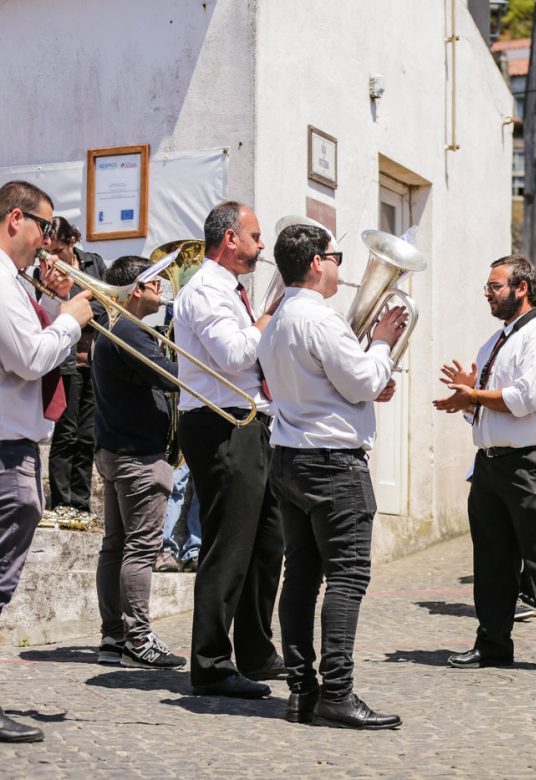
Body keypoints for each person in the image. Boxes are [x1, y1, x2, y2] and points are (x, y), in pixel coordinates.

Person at [260, 223, 406, 729]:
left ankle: (302, 692)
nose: (343, 268)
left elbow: (338, 384)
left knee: (300, 578)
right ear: (318, 262)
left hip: (290, 457)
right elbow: (362, 378)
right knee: (347, 576)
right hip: (333, 464)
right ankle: (338, 694)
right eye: (337, 257)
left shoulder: (277, 319)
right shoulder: (321, 320)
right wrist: (384, 343)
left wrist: (368, 378)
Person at [434, 254, 536, 676]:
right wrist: (468, 395)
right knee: (492, 559)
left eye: (494, 286)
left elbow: (525, 399)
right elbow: (481, 411)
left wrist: (474, 394)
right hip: (490, 463)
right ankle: (493, 643)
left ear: (521, 288)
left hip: (532, 462)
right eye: (488, 286)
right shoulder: (492, 343)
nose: (487, 293)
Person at [173, 201, 284, 699]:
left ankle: (256, 650)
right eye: (255, 236)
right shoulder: (203, 290)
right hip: (219, 425)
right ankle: (211, 663)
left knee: (268, 541)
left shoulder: (230, 291)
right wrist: (265, 319)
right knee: (229, 544)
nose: (262, 247)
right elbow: (234, 354)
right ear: (230, 238)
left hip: (250, 421)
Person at [0, 180, 94, 742]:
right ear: (16, 219)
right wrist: (73, 318)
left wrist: (58, 305)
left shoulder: (15, 283)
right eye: (45, 227)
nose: (48, 241)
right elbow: (30, 358)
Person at [91, 255, 187, 670]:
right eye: (155, 283)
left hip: (115, 452)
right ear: (136, 290)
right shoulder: (130, 331)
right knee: (142, 549)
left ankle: (113, 637)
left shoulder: (113, 330)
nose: (162, 288)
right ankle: (138, 639)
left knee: (115, 547)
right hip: (139, 458)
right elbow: (172, 378)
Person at [43, 216, 106, 517]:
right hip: (66, 361)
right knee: (66, 433)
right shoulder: (44, 273)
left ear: (72, 242)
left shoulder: (94, 264)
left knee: (87, 435)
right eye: (48, 251)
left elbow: (106, 306)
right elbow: (49, 315)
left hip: (93, 362)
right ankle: (60, 502)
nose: (52, 258)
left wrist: (76, 309)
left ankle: (80, 504)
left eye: (58, 250)